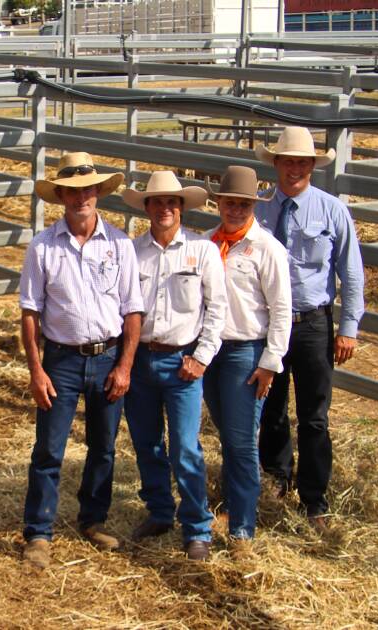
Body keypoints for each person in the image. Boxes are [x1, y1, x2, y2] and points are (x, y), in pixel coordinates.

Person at [19, 152, 144, 569]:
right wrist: (36, 370)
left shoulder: (120, 244)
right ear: (61, 196)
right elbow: (30, 312)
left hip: (107, 356)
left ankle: (93, 519)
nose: (81, 198)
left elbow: (132, 310)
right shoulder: (43, 246)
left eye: (87, 189)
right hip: (62, 360)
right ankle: (39, 532)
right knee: (49, 449)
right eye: (72, 191)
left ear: (98, 192)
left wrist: (125, 365)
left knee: (103, 446)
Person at [253, 127, 365, 531]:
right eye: (288, 161)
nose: (295, 169)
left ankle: (314, 498)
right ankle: (276, 482)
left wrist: (348, 327)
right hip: (269, 324)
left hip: (313, 322)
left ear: (313, 167)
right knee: (272, 408)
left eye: (303, 162)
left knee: (315, 416)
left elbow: (351, 271)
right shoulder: (259, 209)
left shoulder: (332, 210)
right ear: (277, 164)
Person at [121, 171, 227, 562]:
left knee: (184, 447)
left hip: (182, 361)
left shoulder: (203, 251)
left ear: (181, 208)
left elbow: (218, 308)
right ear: (147, 208)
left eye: (171, 202)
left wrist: (202, 357)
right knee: (146, 443)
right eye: (157, 202)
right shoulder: (132, 252)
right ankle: (160, 511)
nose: (164, 208)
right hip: (140, 359)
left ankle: (197, 527)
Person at [201, 165, 292, 559]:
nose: (235, 210)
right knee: (229, 433)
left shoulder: (267, 248)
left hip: (245, 351)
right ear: (218, 203)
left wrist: (271, 361)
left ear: (254, 206)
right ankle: (233, 509)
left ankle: (242, 530)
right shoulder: (207, 244)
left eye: (243, 204)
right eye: (229, 203)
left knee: (240, 441)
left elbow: (281, 309)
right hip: (211, 350)